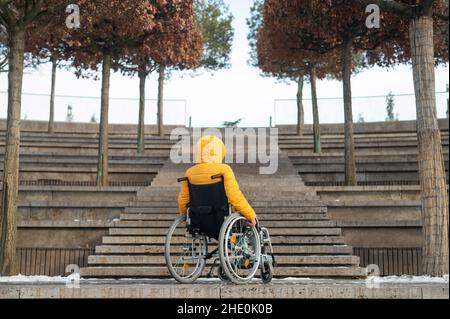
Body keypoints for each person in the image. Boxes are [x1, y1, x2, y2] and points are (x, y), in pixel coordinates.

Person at [177, 135, 257, 227]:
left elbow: (183, 199)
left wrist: (184, 215)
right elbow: (234, 196)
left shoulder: (189, 173)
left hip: (198, 218)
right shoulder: (224, 169)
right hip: (221, 218)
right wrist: (250, 215)